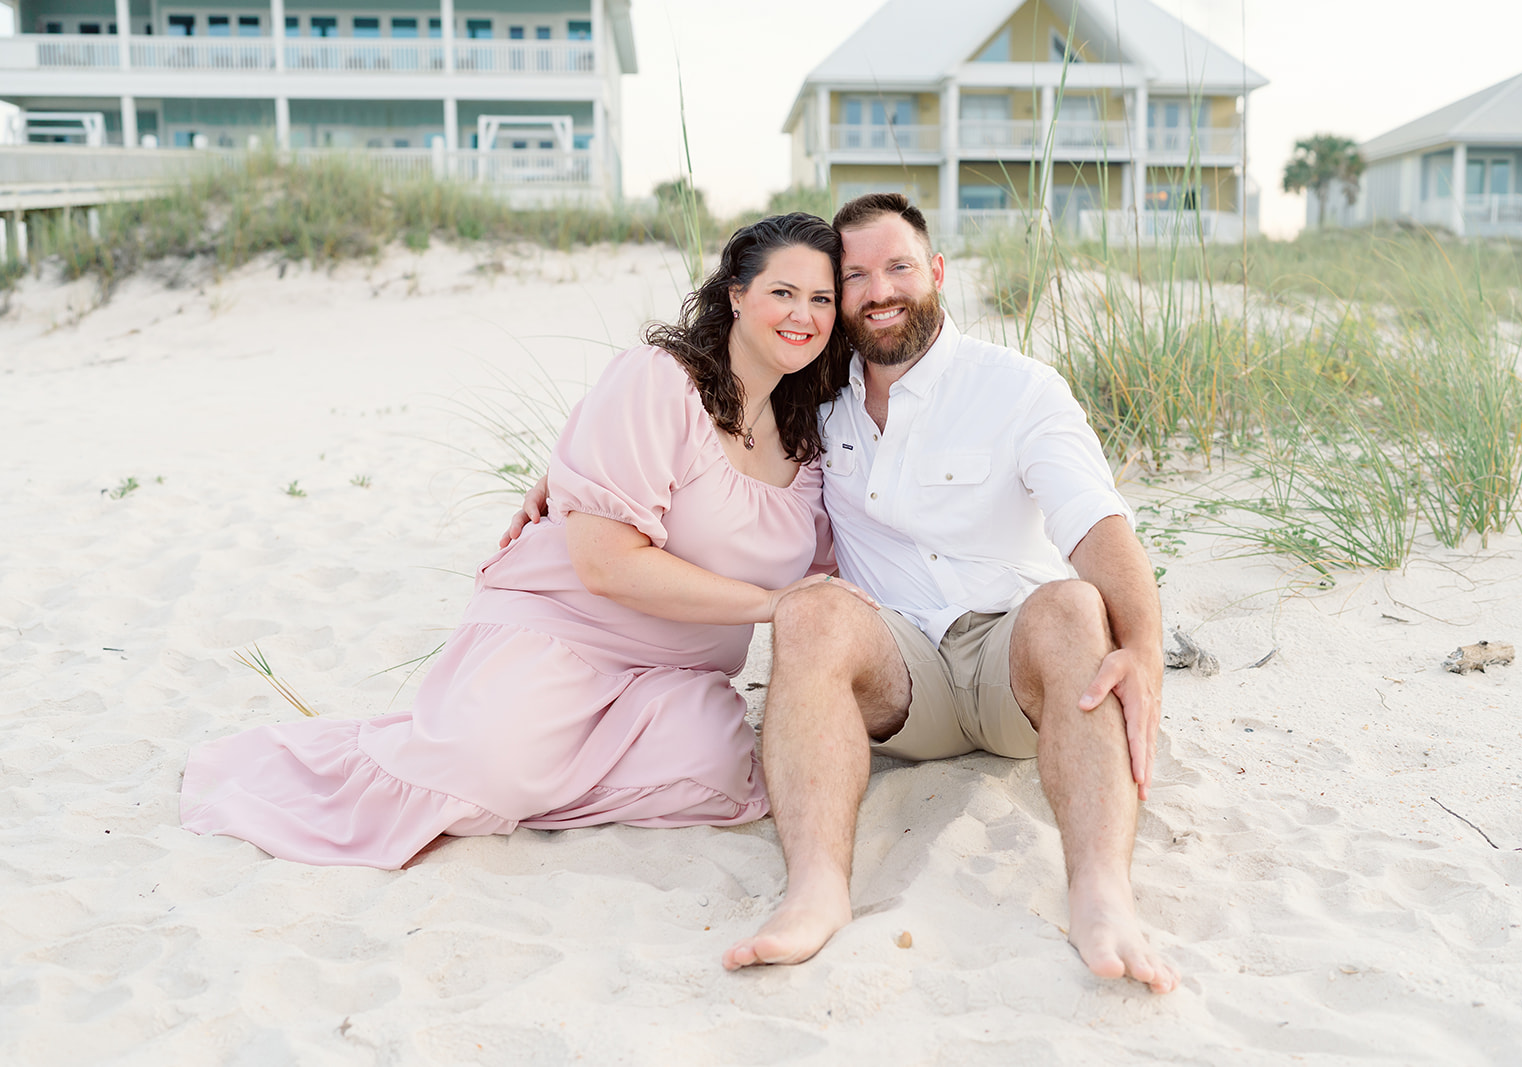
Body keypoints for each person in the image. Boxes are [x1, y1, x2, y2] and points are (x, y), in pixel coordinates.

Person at [506, 194, 1178, 993]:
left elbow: (1098, 527)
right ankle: (817, 891)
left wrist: (1140, 646)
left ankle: (1101, 893)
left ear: (934, 273)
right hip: (901, 674)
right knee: (814, 610)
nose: (877, 290)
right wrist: (566, 473)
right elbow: (703, 419)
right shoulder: (819, 402)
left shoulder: (1019, 390)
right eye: (852, 277)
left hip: (1013, 669)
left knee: (1074, 604)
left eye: (897, 267)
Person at [180, 212, 875, 870]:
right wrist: (774, 602)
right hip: (564, 630)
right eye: (782, 291)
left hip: (676, 676)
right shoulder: (659, 381)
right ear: (736, 294)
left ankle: (537, 771)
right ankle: (491, 756)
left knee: (717, 778)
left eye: (820, 298)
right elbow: (606, 565)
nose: (802, 314)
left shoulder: (814, 442)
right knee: (482, 770)